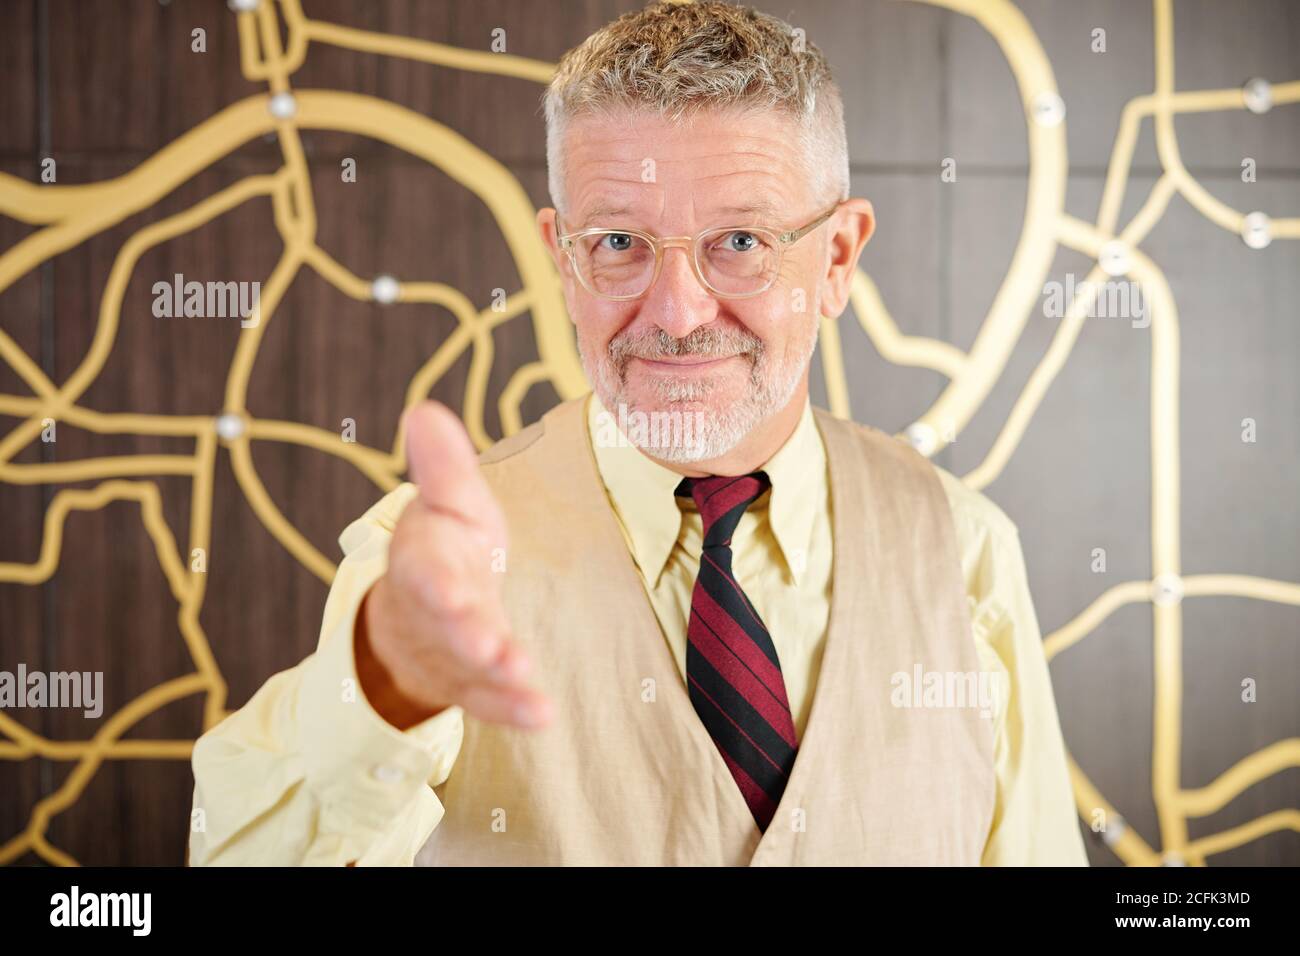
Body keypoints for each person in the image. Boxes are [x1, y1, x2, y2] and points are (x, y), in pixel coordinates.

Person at [189, 0, 1086, 866]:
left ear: (838, 258)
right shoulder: (426, 568)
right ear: (561, 259)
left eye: (739, 241)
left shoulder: (967, 554)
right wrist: (387, 683)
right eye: (618, 242)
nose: (678, 310)